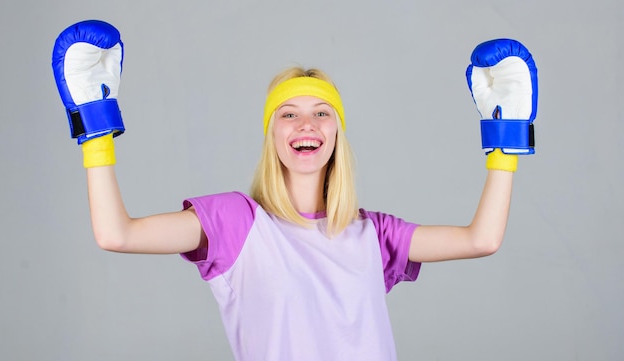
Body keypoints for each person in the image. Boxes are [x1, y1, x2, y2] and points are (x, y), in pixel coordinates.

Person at [52, 20, 537, 361]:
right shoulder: (235, 223)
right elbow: (117, 234)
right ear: (273, 135)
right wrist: (95, 132)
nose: (307, 123)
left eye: (321, 112)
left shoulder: (373, 234)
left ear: (337, 133)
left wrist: (506, 140)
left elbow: (482, 239)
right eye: (289, 113)